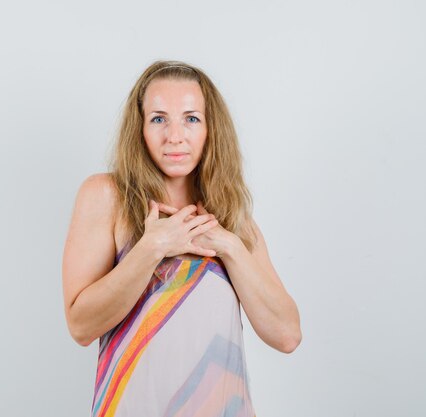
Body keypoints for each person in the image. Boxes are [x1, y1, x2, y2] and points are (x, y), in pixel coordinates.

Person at [62, 60, 301, 417]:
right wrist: (153, 248)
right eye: (159, 118)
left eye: (191, 118)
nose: (175, 136)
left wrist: (230, 247)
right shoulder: (107, 196)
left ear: (210, 129)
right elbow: (81, 326)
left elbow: (287, 335)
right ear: (140, 128)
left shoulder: (234, 218)